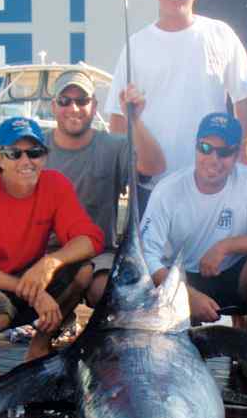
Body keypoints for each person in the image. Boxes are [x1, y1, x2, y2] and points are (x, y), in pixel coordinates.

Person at [0, 116, 104, 380]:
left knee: (83, 271)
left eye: (35, 152)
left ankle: (40, 344)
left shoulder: (56, 185)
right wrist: (33, 293)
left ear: (45, 156)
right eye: (14, 153)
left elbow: (90, 238)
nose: (26, 161)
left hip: (25, 280)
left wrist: (49, 263)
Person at [140, 112, 247, 376]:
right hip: (184, 280)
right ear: (195, 146)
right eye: (206, 148)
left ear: (237, 154)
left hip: (234, 277)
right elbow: (146, 255)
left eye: (224, 152)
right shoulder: (168, 190)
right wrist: (185, 293)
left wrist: (226, 246)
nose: (214, 159)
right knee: (177, 364)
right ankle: (185, 348)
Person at [105, 0, 247, 215]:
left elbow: (244, 100)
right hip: (151, 187)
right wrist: (120, 172)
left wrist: (244, 147)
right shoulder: (135, 45)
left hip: (212, 183)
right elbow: (117, 118)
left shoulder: (221, 34)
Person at [45, 68, 165, 307]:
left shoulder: (113, 146)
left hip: (97, 252)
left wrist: (134, 119)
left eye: (82, 101)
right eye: (64, 101)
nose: (74, 108)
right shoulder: (36, 148)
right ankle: (62, 315)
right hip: (47, 252)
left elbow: (154, 166)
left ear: (95, 106)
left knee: (104, 293)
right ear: (54, 106)